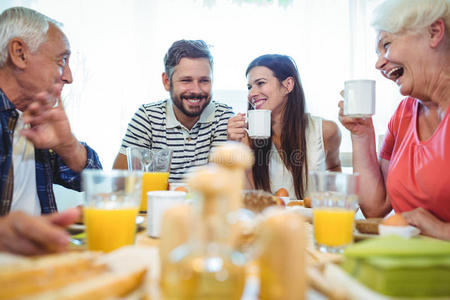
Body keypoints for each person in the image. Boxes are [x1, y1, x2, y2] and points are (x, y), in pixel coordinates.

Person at [339, 0, 450, 240]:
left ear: (434, 32)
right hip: (407, 265)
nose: (378, 63)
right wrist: (360, 134)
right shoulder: (404, 114)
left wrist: (439, 229)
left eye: (386, 45)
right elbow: (375, 207)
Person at [0, 7, 102, 254]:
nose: (69, 77)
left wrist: (67, 145)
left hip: (40, 263)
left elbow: (94, 184)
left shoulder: (34, 117)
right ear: (20, 54)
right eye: (61, 61)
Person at [113, 40, 233, 181]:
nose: (196, 90)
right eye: (186, 80)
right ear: (166, 81)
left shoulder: (223, 118)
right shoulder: (147, 118)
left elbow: (219, 185)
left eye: (204, 81)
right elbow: (119, 183)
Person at [228, 54, 341, 200]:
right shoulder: (247, 137)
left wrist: (332, 202)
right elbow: (250, 198)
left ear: (288, 85)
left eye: (260, 83)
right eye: (250, 87)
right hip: (272, 221)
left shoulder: (326, 131)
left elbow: (333, 168)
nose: (252, 93)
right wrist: (233, 147)